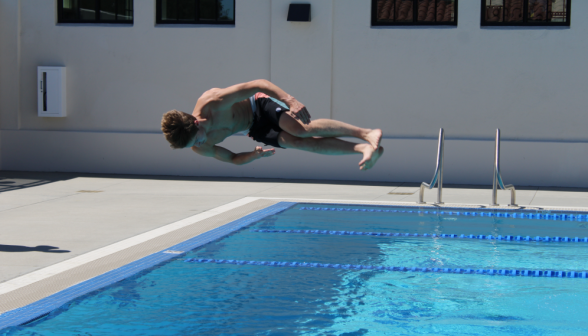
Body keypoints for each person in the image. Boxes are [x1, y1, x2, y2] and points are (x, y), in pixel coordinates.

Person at [161, 79, 384, 170]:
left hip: (257, 104)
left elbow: (259, 84)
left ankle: (366, 133)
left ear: (196, 121)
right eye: (195, 143)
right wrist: (253, 156)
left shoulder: (214, 102)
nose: (200, 143)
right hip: (252, 127)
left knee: (300, 130)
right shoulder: (200, 146)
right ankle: (363, 148)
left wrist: (290, 100)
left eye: (198, 137)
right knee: (300, 144)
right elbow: (231, 159)